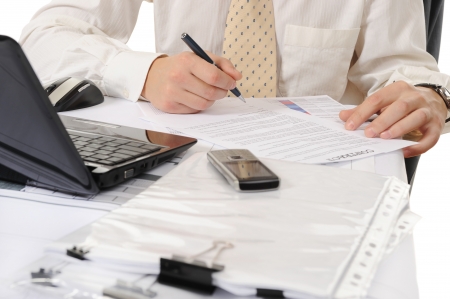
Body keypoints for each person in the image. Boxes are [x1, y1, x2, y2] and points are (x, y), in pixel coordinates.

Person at [20, 0, 449, 160]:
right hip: (183, 164)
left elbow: (407, 71)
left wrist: (432, 96)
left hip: (319, 178)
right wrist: (145, 72)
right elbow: (44, 38)